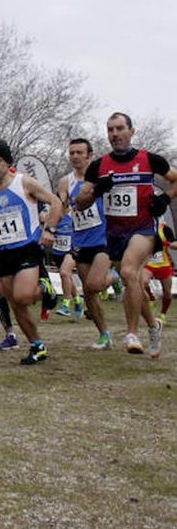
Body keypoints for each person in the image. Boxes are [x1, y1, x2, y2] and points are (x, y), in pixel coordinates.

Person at [74, 113, 173, 358]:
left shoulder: (149, 159)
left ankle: (132, 334)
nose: (115, 134)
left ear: (132, 131)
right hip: (114, 234)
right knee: (119, 283)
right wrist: (98, 190)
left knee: (129, 272)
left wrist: (165, 198)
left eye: (119, 128)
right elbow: (80, 202)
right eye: (110, 130)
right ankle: (153, 327)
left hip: (143, 229)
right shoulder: (99, 166)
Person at [0, 139, 62, 365]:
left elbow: (56, 202)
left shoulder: (23, 182)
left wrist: (50, 230)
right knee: (16, 305)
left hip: (27, 248)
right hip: (3, 251)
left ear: (8, 162)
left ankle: (46, 288)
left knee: (23, 296)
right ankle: (38, 345)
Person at [59, 138, 114, 349]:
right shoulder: (66, 182)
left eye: (79, 152)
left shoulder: (101, 177)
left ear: (89, 155)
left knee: (93, 284)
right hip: (80, 240)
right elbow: (63, 206)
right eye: (72, 152)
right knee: (89, 293)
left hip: (102, 237)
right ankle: (104, 334)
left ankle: (114, 277)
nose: (75, 156)